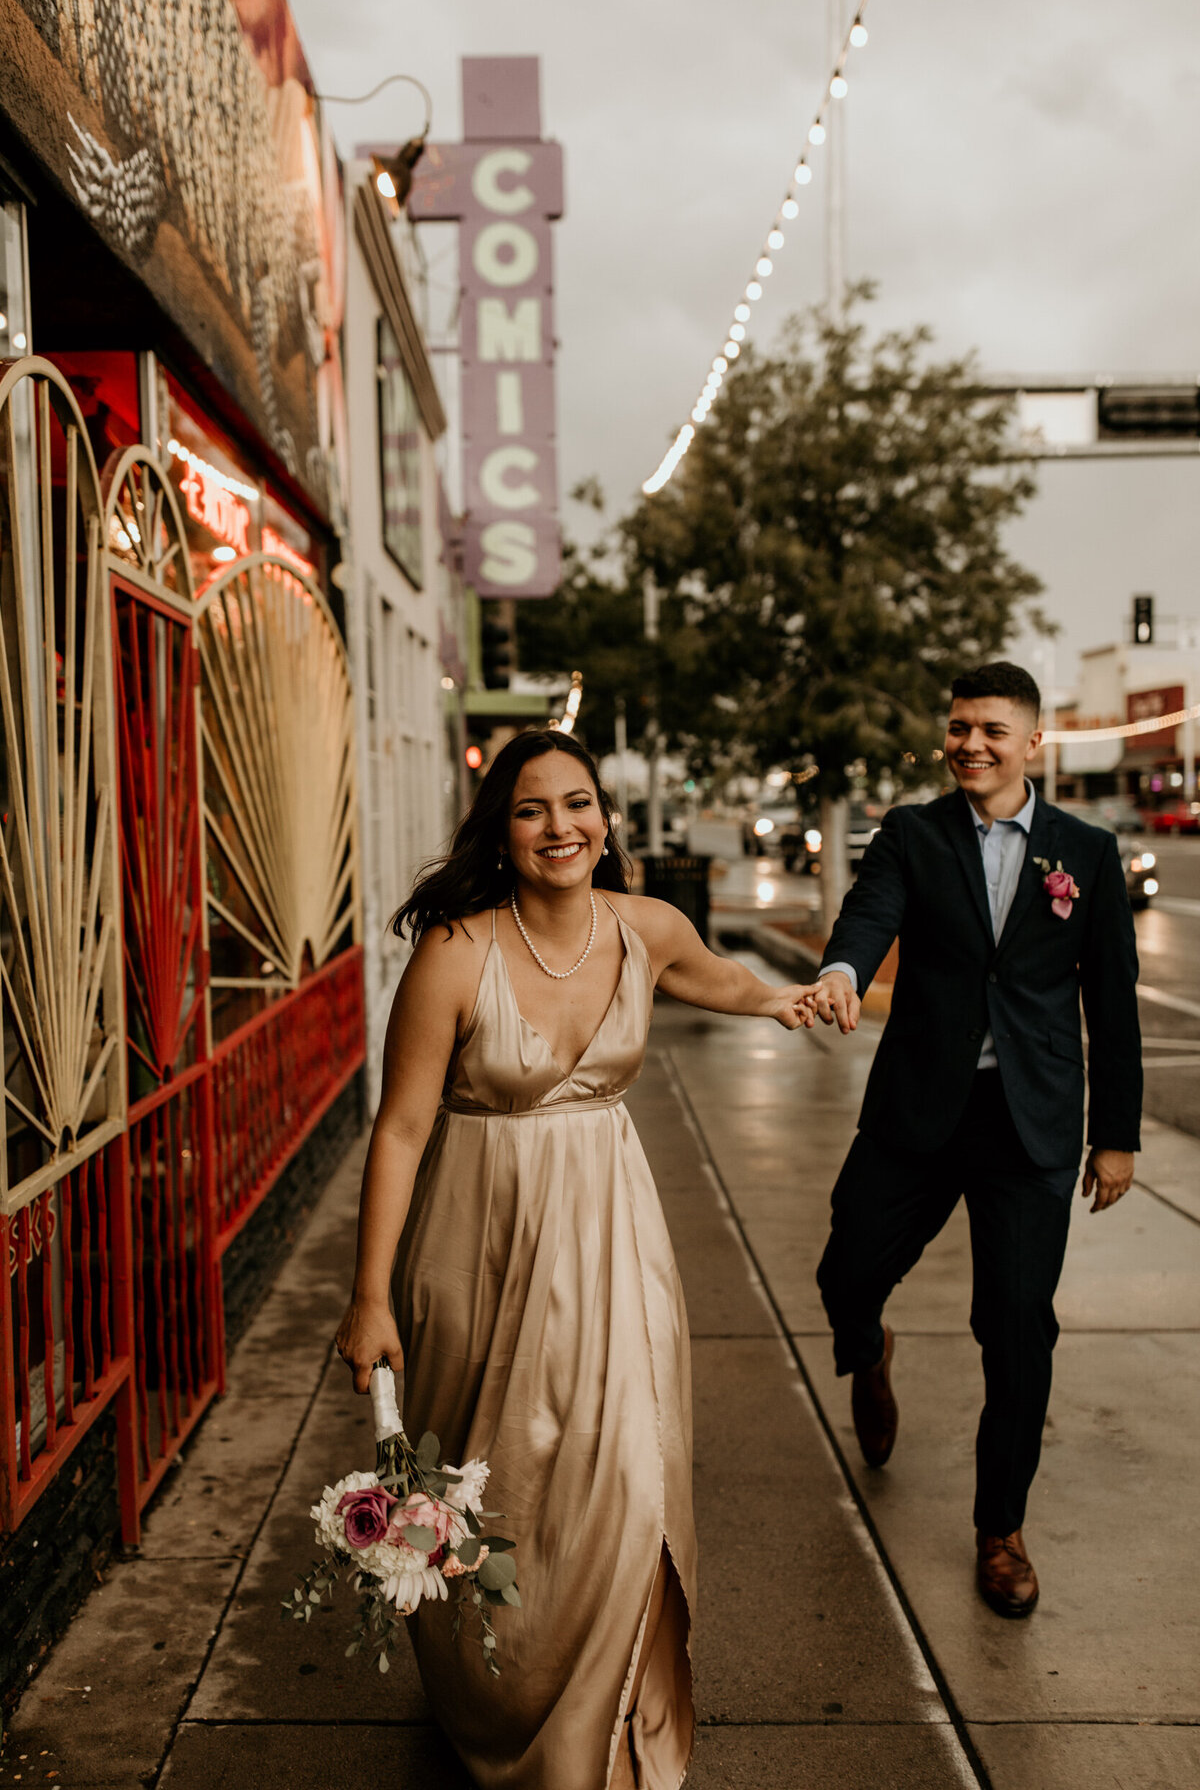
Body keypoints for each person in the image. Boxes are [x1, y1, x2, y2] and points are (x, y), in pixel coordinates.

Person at [335, 730, 821, 1789]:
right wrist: (371, 1297)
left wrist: (783, 999)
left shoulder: (644, 927)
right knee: (495, 1481)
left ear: (606, 818)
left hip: (613, 1234)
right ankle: (496, 1689)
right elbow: (403, 1131)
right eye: (532, 809)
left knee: (626, 1468)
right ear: (500, 834)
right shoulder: (456, 952)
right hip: (479, 1243)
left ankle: (594, 1737)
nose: (563, 826)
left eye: (580, 804)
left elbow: (718, 975)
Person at [812, 661, 1141, 1618]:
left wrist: (1114, 1136)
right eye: (959, 727)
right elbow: (868, 916)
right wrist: (842, 971)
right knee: (846, 1269)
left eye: (992, 729)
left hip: (1029, 1123)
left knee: (1015, 1331)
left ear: (1032, 743)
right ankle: (869, 1349)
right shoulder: (913, 835)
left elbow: (1110, 1006)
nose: (970, 743)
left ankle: (1000, 1529)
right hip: (919, 1109)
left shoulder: (1087, 849)